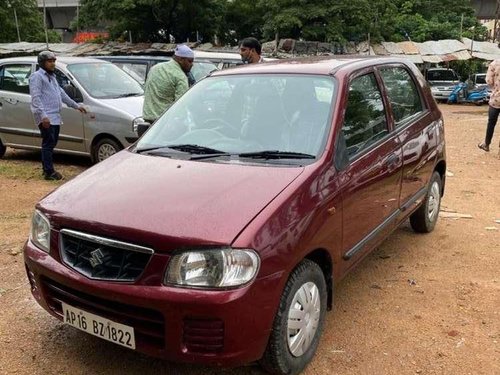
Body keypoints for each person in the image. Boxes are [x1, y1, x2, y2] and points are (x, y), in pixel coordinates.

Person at [30, 51, 87, 180]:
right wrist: (43, 116)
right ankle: (49, 172)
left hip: (55, 116)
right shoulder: (37, 77)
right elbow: (36, 97)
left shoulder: (52, 77)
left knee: (52, 142)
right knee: (48, 143)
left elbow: (61, 94)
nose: (52, 64)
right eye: (49, 61)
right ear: (42, 63)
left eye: (53, 61)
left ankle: (47, 169)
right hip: (46, 116)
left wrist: (77, 106)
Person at [142, 44, 194, 123]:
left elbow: (146, 90)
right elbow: (181, 105)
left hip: (147, 121)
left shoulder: (155, 68)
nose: (192, 64)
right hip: (165, 123)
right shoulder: (180, 76)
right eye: (190, 61)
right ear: (180, 59)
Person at [478, 59, 500, 153]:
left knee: (491, 123)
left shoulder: (494, 64)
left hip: (496, 99)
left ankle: (486, 144)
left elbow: (489, 81)